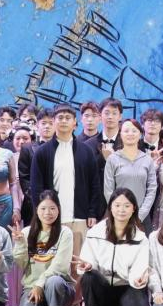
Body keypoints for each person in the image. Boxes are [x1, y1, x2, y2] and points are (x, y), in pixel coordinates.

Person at [30, 104, 106, 253]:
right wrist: (41, 213)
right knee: (50, 261)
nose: (64, 121)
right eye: (60, 117)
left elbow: (94, 184)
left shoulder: (86, 151)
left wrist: (92, 212)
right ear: (54, 121)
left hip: (80, 218)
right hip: (51, 218)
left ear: (75, 123)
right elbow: (36, 188)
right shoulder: (42, 153)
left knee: (78, 262)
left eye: (68, 118)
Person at [78, 188, 152, 306]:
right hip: (103, 288)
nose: (121, 210)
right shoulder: (94, 233)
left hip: (126, 287)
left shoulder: (141, 239)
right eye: (117, 205)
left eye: (126, 206)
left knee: (139, 305)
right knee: (88, 277)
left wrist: (138, 279)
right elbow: (86, 261)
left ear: (133, 208)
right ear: (110, 207)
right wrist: (88, 266)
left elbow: (139, 267)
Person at [13, 191, 76, 306]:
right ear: (37, 210)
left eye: (52, 208)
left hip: (59, 287)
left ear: (58, 210)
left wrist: (40, 284)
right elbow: (21, 264)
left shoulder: (65, 233)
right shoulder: (26, 232)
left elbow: (60, 267)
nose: (47, 212)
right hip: (31, 288)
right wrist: (20, 243)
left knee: (53, 281)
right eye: (43, 208)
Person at [104, 118, 159, 226]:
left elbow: (152, 189)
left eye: (134, 131)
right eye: (126, 131)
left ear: (140, 134)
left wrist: (141, 215)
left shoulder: (147, 159)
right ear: (120, 134)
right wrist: (118, 211)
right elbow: (108, 190)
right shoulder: (113, 159)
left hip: (142, 217)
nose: (130, 134)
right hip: (118, 216)